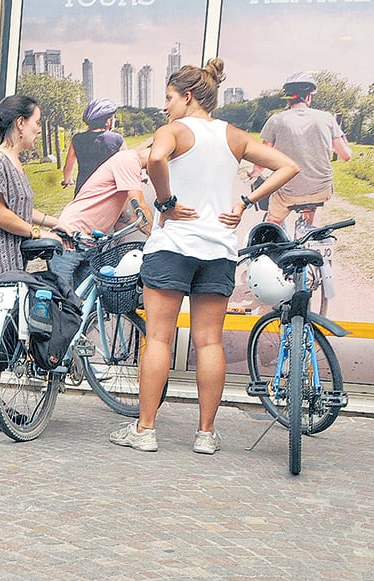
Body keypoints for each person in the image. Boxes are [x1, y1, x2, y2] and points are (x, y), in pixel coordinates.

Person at [108, 58, 298, 455]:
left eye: (169, 98)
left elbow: (156, 159)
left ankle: (145, 430)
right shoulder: (235, 135)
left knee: (158, 338)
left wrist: (166, 202)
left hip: (174, 244)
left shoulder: (173, 130)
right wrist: (247, 200)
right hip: (218, 248)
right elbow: (288, 166)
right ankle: (206, 434)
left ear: (188, 96)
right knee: (208, 342)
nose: (165, 106)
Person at [0, 94, 63, 431]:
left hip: (7, 260)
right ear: (20, 123)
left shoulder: (15, 162)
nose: (37, 130)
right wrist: (34, 232)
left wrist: (53, 222)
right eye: (36, 123)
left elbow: (17, 206)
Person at [249, 72, 351, 229]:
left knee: (272, 222)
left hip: (288, 192)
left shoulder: (277, 120)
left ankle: (275, 241)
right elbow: (345, 156)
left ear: (288, 98)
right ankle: (309, 234)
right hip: (322, 190)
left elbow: (263, 158)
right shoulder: (327, 118)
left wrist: (255, 172)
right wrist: (343, 140)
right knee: (311, 206)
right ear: (309, 96)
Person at [50, 145, 154, 291]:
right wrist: (156, 237)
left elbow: (123, 216)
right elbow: (140, 205)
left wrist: (130, 233)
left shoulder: (130, 167)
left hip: (91, 242)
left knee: (84, 301)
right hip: (72, 236)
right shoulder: (128, 160)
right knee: (61, 297)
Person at [61, 98, 125, 195]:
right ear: (108, 121)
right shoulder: (117, 139)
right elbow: (127, 164)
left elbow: (68, 167)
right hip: (108, 192)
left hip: (83, 192)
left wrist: (67, 180)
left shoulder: (77, 139)